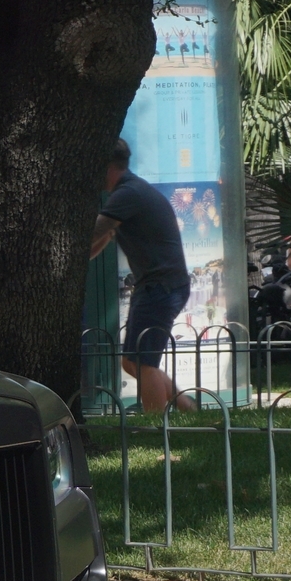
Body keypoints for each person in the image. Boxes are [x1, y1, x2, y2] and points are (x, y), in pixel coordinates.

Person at [91, 138, 195, 413]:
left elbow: (95, 231)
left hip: (160, 287)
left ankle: (156, 426)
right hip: (161, 285)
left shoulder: (128, 193)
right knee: (133, 362)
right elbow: (104, 236)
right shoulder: (131, 191)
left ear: (105, 165)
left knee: (142, 362)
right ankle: (188, 409)